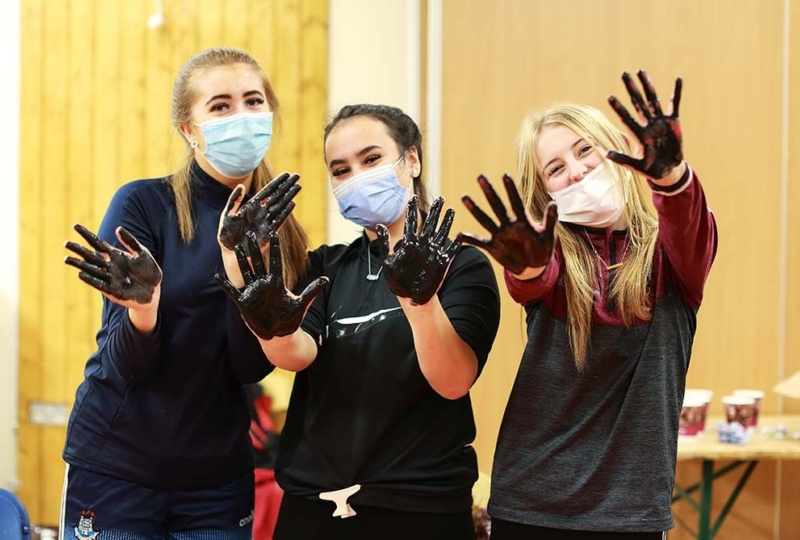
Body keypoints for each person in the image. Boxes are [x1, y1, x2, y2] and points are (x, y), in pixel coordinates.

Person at [217, 104, 502, 539]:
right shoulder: (326, 267)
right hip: (313, 507)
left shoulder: (463, 266)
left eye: (371, 159)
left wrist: (419, 299)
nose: (356, 177)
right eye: (340, 169)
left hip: (419, 508)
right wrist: (265, 322)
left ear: (412, 160)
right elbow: (296, 354)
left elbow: (453, 380)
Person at [61, 46, 309, 539]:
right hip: (116, 465)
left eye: (253, 101)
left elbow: (250, 368)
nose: (241, 115)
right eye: (220, 106)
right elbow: (124, 366)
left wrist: (239, 272)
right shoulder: (143, 205)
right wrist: (143, 313)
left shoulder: (279, 230)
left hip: (216, 479)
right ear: (188, 129)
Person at [459, 71, 718, 539]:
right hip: (531, 501)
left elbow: (687, 223)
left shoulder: (673, 254)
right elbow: (532, 282)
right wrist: (527, 269)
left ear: (618, 152)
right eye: (555, 169)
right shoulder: (547, 253)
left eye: (584, 152)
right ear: (546, 193)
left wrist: (673, 178)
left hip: (631, 508)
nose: (576, 171)